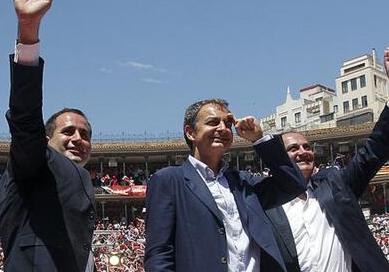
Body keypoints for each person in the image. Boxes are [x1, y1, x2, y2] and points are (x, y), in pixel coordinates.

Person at [0, 0, 96, 271]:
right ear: (45, 139)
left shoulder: (82, 179)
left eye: (85, 134)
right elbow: (25, 118)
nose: (79, 138)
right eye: (68, 131)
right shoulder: (35, 164)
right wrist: (28, 32)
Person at [144, 99, 306, 272]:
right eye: (213, 122)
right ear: (190, 132)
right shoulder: (169, 180)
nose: (223, 128)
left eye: (228, 124)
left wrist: (259, 139)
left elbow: (294, 185)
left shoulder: (243, 183)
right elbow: (159, 254)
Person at [265, 50, 389, 272]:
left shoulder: (335, 184)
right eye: (293, 148)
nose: (303, 151)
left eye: (307, 147)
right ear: (277, 160)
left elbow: (373, 150)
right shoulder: (265, 202)